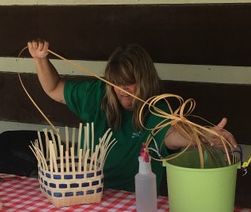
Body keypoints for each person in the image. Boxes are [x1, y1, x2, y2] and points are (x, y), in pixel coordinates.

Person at [27, 39, 237, 192]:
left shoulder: (157, 107)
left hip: (130, 201)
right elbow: (53, 88)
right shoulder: (98, 93)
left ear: (144, 80)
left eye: (129, 82)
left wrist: (204, 135)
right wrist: (40, 60)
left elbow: (173, 136)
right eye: (116, 82)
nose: (121, 89)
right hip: (87, 194)